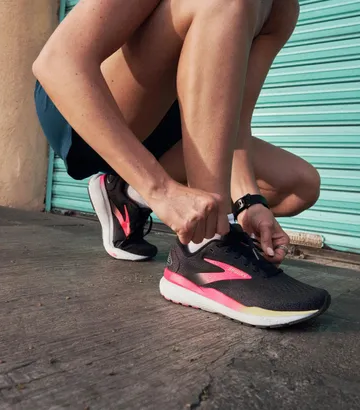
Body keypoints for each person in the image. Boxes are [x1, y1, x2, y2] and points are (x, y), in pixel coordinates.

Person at [33, 0, 330, 327]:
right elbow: (56, 62)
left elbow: (236, 123)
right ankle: (204, 252)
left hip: (172, 118)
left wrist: (248, 202)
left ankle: (126, 195)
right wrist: (160, 189)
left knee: (299, 185)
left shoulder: (282, 9)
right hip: (86, 103)